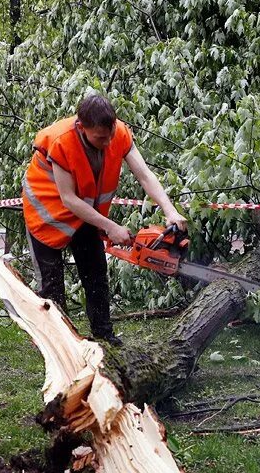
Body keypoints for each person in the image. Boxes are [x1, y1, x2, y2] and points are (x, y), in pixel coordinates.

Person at [22, 93, 187, 345]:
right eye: (100, 138)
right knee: (52, 284)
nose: (108, 142)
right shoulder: (61, 141)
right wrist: (111, 226)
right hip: (46, 212)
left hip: (86, 212)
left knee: (96, 273)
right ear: (81, 127)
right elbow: (68, 198)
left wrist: (170, 210)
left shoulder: (117, 134)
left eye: (110, 135)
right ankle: (55, 342)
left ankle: (104, 335)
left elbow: (144, 175)